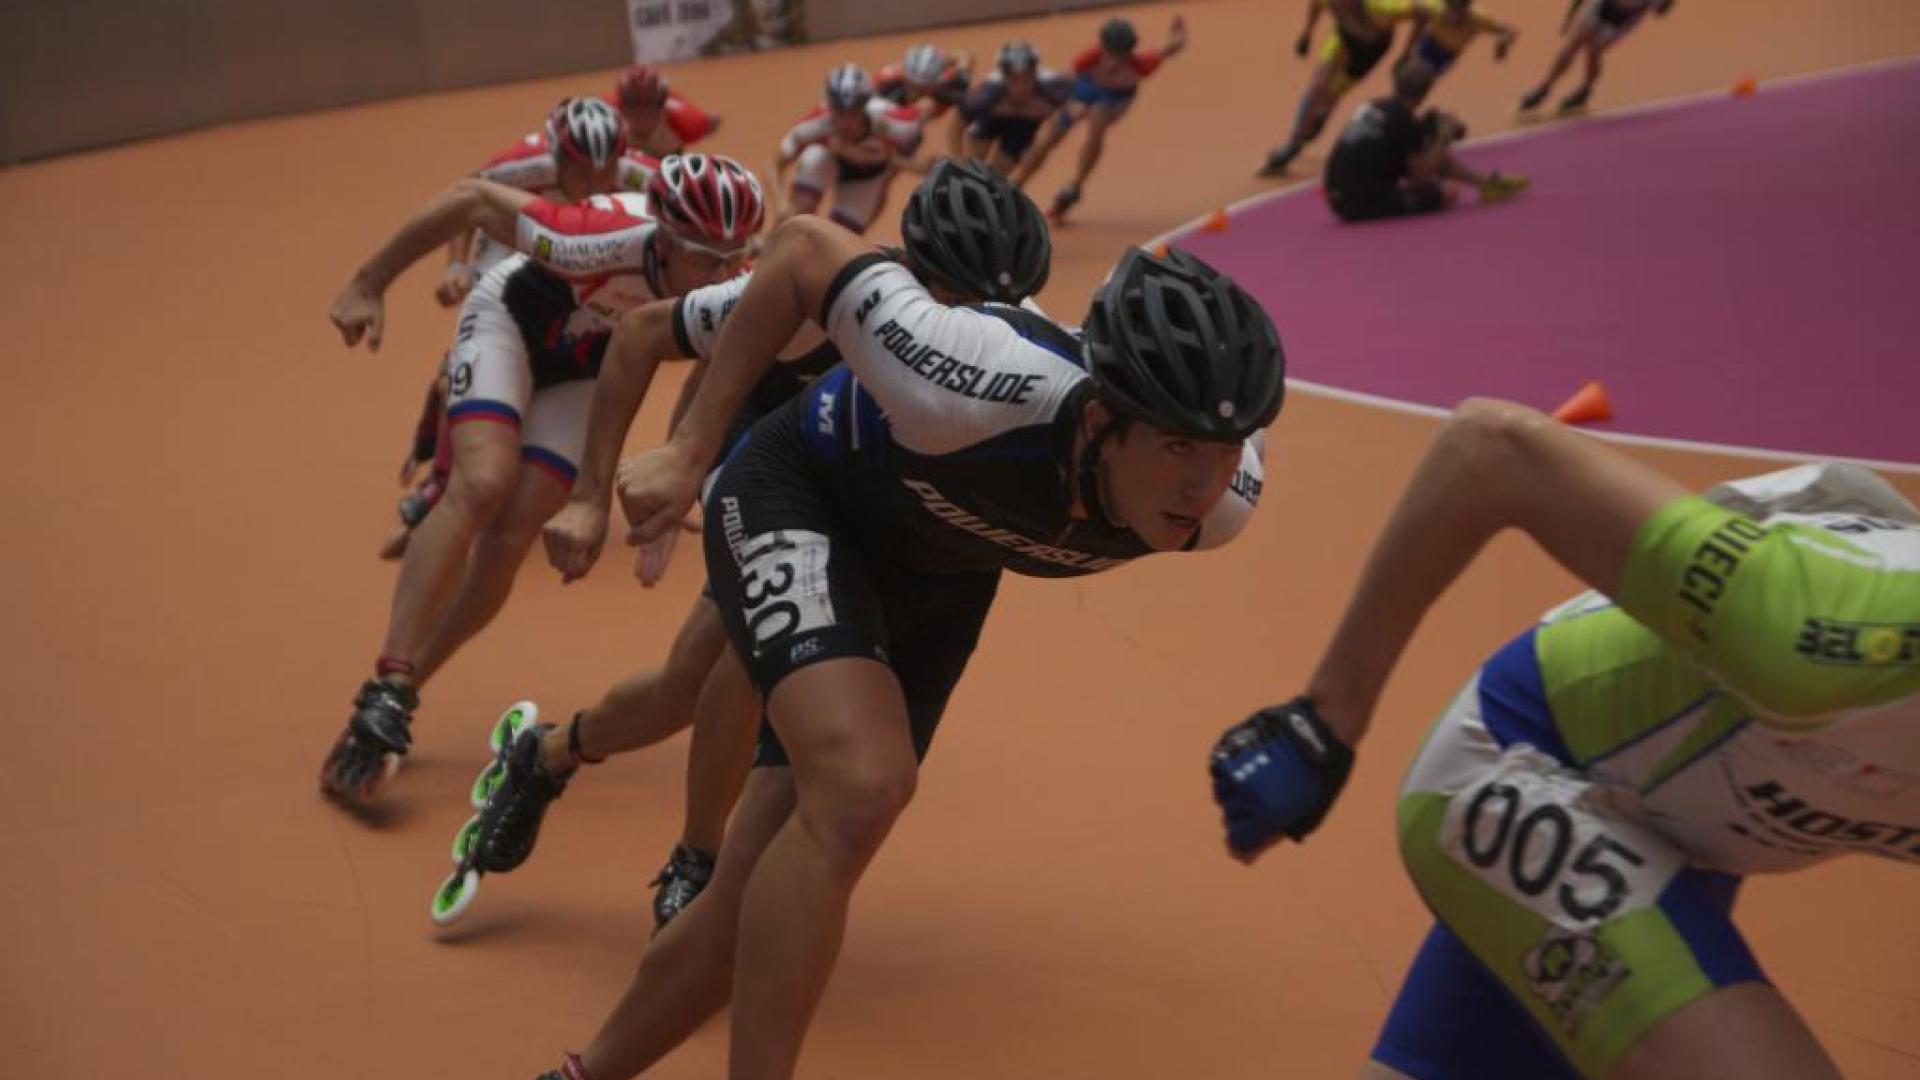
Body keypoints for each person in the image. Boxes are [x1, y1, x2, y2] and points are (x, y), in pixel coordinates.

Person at [526, 224, 1282, 1078]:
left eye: (1224, 450)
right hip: (804, 492)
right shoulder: (966, 375)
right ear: (1103, 421)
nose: (1202, 484)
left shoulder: (1224, 505)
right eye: (1178, 446)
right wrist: (690, 447)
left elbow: (1214, 457)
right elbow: (803, 248)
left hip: (941, 570)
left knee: (755, 900)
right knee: (863, 786)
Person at [430, 159, 1056, 931]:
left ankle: (547, 755)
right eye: (955, 303)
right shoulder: (837, 291)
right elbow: (641, 332)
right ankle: (697, 856)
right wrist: (596, 496)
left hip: (872, 482)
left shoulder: (1008, 327)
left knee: (680, 691)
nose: (976, 328)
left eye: (995, 310)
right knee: (747, 656)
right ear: (913, 273)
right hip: (775, 459)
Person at [1209, 398, 1919, 1078]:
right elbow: (1489, 449)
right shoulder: (1821, 634)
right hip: (1525, 760)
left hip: (1697, 823)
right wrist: (1323, 723)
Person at [317, 154, 765, 805]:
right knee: (483, 481)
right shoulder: (590, 237)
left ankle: (397, 698)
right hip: (512, 322)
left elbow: (710, 374)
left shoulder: (735, 284)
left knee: (511, 536)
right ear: (665, 241)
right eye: (705, 259)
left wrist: (677, 468)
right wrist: (368, 282)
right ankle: (387, 674)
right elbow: (470, 197)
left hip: (591, 367)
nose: (723, 275)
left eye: (735, 257)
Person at [383, 98, 656, 562]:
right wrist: (456, 267)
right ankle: (439, 482)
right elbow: (465, 201)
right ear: (557, 158)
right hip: (513, 245)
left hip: (590, 250)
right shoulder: (521, 165)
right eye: (581, 172)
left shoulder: (639, 175)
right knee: (473, 353)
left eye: (606, 170)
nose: (595, 183)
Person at [1013, 15, 1187, 223]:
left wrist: (1178, 32)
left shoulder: (1142, 64)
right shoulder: (1090, 57)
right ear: (1103, 48)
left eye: (1123, 55)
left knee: (1098, 118)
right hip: (1084, 90)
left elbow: (1170, 48)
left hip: (1116, 98)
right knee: (1051, 135)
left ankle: (1074, 187)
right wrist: (1071, 105)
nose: (1116, 61)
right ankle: (1017, 183)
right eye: (1112, 54)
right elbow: (1063, 82)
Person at [1323, 62, 1527, 222]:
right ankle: (1486, 184)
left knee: (1426, 150)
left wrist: (1433, 137)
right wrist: (1444, 138)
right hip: (1356, 203)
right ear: (1425, 93)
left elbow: (1411, 147)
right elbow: (1420, 178)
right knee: (1445, 193)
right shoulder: (1404, 120)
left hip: (1338, 194)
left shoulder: (1375, 105)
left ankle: (1486, 183)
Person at [1259, 0, 1426, 177]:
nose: (1336, 7)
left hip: (1367, 54)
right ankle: (1293, 144)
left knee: (1331, 95)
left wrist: (1407, 52)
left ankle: (1321, 112)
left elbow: (1422, 14)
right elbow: (1315, 5)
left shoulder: (1382, 7)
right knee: (1317, 86)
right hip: (1342, 39)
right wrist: (1307, 34)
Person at [769, 63, 926, 235]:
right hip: (827, 158)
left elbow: (914, 159)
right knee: (797, 215)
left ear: (865, 106)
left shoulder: (897, 123)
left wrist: (890, 168)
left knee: (841, 237)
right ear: (828, 105)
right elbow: (773, 166)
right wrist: (781, 205)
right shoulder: (814, 124)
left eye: (853, 112)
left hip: (868, 176)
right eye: (838, 111)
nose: (846, 122)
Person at [1519, 0, 1676, 114]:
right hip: (1600, 4)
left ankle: (1585, 90)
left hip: (1623, 18)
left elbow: (1660, 11)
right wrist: (1571, 15)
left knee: (1593, 51)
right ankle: (1543, 88)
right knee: (1573, 44)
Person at [957, 40, 1075, 178]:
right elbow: (956, 125)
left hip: (1023, 127)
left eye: (1027, 78)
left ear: (1035, 73)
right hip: (991, 120)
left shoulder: (1055, 90)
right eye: (1014, 79)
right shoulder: (987, 92)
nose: (1021, 86)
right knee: (971, 169)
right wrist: (958, 160)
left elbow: (1064, 122)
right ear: (1004, 77)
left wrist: (1042, 147)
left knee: (994, 178)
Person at [1399, 0, 1518, 102]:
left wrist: (1503, 43)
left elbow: (1510, 31)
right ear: (1445, 5)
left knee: (1423, 85)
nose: (1455, 15)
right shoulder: (1433, 7)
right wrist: (1406, 52)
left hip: (1447, 55)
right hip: (1429, 44)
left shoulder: (1479, 18)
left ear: (1467, 8)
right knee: (1409, 77)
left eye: (1460, 10)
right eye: (1451, 8)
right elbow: (1418, 21)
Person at [607, 64, 723, 158]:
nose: (643, 114)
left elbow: (713, 121)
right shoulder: (608, 123)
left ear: (662, 106)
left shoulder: (686, 121)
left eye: (651, 104)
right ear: (622, 108)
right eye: (633, 104)